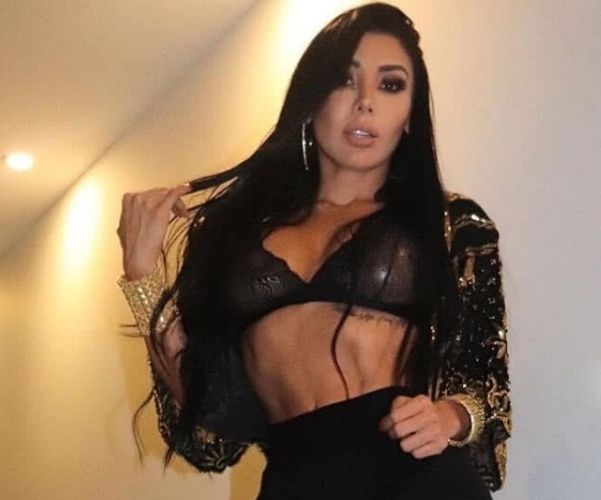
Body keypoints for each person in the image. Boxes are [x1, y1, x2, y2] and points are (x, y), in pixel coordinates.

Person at [116, 3, 511, 499]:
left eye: (391, 85)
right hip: (294, 480)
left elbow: (487, 383)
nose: (365, 102)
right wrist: (142, 275)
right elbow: (209, 430)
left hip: (415, 476)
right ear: (311, 98)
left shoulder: (450, 223)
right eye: (345, 80)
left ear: (410, 114)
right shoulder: (231, 235)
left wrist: (449, 416)